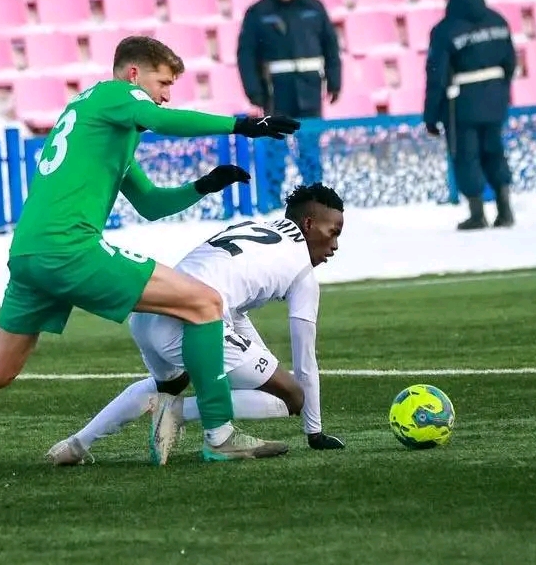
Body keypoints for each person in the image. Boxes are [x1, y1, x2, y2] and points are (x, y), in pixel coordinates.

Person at [0, 36, 300, 483]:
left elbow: (149, 204)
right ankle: (219, 436)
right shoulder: (117, 95)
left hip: (30, 253)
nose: (165, 96)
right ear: (135, 74)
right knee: (204, 303)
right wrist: (242, 125)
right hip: (69, 247)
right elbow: (163, 120)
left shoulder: (102, 121)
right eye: (163, 84)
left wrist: (205, 184)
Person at [47, 183, 346, 466]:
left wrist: (263, 360)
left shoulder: (253, 227)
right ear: (308, 224)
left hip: (147, 315)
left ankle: (76, 444)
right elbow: (305, 362)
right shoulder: (303, 273)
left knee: (171, 383)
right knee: (292, 395)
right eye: (333, 232)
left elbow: (235, 309)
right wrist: (314, 432)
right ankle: (177, 412)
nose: (334, 246)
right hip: (191, 320)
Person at [237, 0, 342, 212]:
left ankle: (315, 199)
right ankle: (273, 199)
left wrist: (335, 79)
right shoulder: (258, 13)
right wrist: (254, 92)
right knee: (275, 146)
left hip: (309, 87)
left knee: (310, 145)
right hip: (275, 90)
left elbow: (331, 47)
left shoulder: (314, 7)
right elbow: (246, 55)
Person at [423, 0, 518, 231]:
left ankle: (477, 214)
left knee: (466, 155)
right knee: (494, 152)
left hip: (461, 103)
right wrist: (500, 91)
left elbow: (436, 75)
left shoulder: (445, 30)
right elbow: (510, 61)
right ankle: (505, 210)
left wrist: (430, 115)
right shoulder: (497, 20)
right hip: (495, 98)